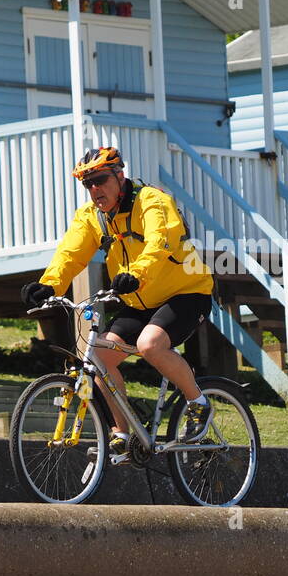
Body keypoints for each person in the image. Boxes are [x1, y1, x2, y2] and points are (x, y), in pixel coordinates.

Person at [21, 146, 215, 464]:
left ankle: (198, 404)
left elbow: (159, 244)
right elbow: (71, 253)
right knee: (99, 358)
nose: (95, 189)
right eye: (88, 184)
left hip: (186, 292)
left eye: (100, 180)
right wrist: (48, 285)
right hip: (137, 300)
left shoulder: (152, 201)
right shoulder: (92, 216)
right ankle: (121, 435)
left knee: (150, 345)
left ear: (119, 176)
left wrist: (134, 274)